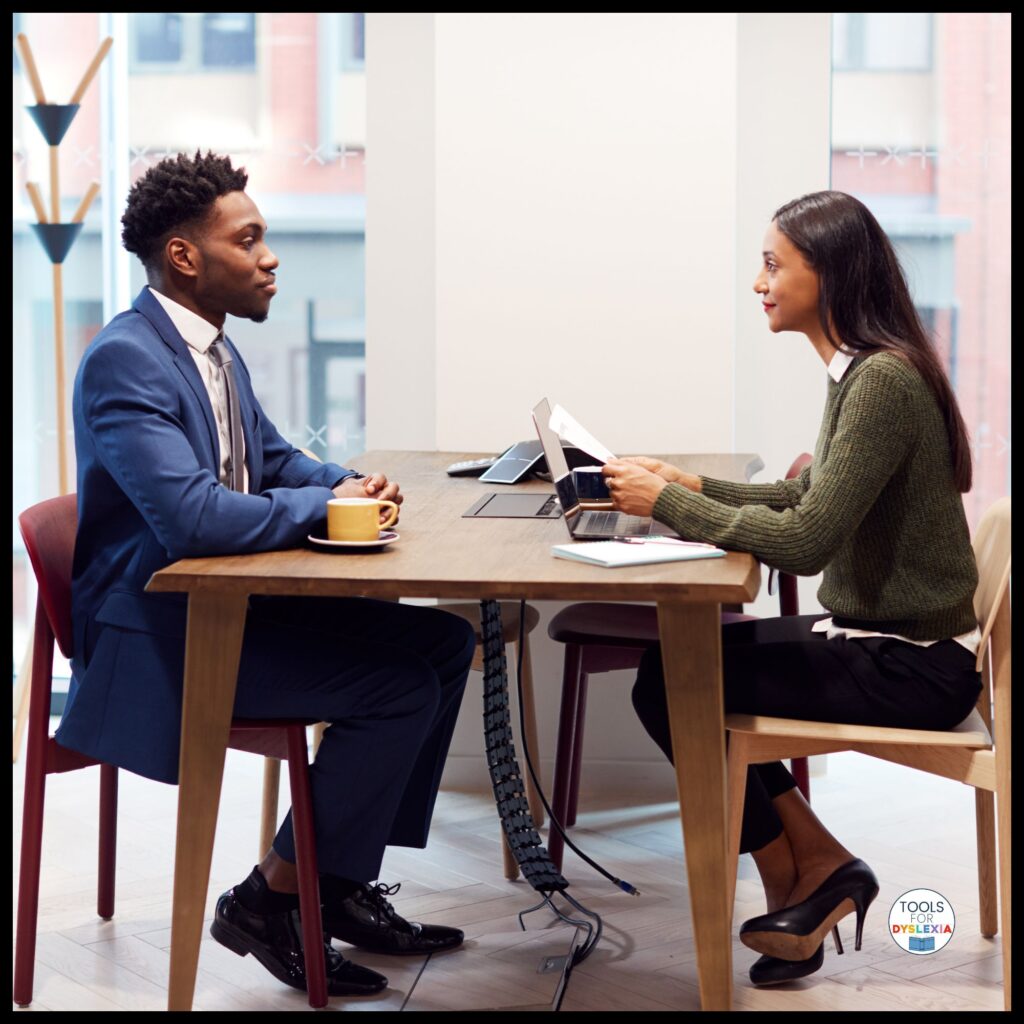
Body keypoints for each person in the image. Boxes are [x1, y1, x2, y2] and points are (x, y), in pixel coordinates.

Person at [59, 151, 478, 998]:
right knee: (396, 687)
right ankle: (269, 901)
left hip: (228, 615)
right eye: (248, 240)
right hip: (161, 640)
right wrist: (325, 513)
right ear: (185, 256)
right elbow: (192, 516)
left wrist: (344, 485)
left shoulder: (212, 351)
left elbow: (274, 458)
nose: (269, 257)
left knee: (442, 641)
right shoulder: (126, 360)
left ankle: (337, 886)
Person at [601, 190, 982, 986]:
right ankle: (812, 869)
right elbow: (804, 499)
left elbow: (806, 543)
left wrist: (668, 503)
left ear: (830, 275)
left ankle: (806, 872)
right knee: (674, 674)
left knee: (672, 679)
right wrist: (688, 482)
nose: (759, 283)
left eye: (774, 265)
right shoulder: (863, 371)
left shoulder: (880, 382)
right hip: (888, 643)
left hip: (911, 666)